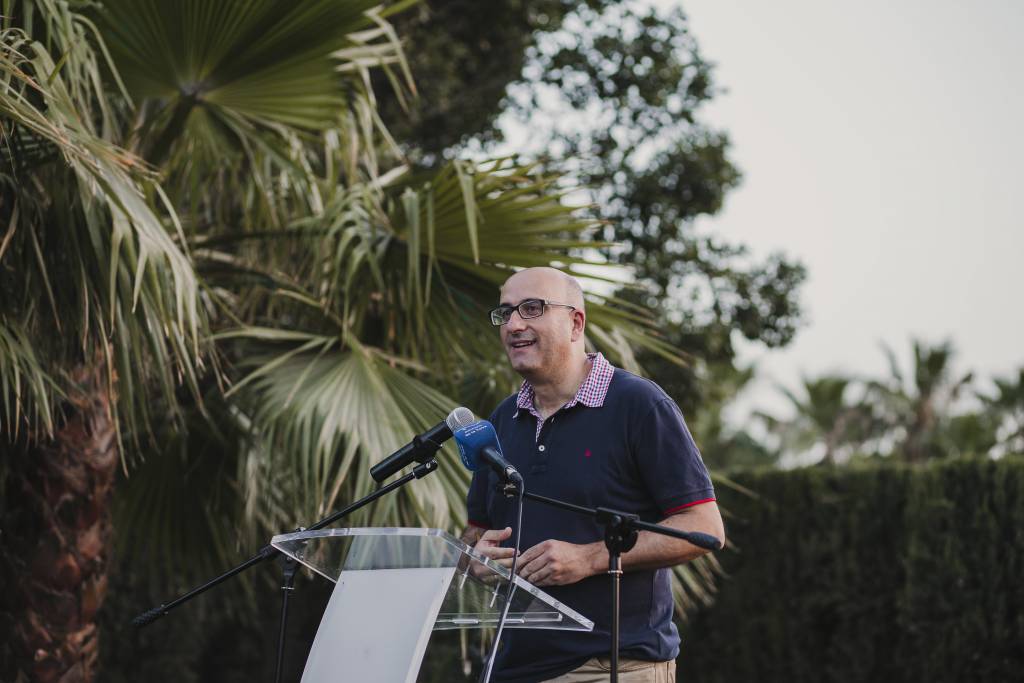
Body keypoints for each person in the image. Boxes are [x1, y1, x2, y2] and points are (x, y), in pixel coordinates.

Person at [462, 267, 725, 682]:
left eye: (532, 308)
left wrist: (589, 558)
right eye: (506, 312)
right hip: (512, 669)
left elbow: (704, 528)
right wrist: (477, 559)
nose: (513, 324)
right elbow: (474, 534)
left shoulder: (639, 405)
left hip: (610, 667)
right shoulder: (501, 421)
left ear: (575, 323)